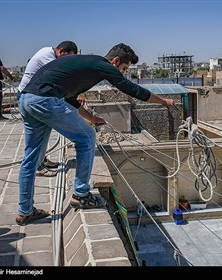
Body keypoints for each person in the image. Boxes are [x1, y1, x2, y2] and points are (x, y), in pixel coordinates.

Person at [15, 43, 176, 226]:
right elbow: (133, 89)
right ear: (115, 61)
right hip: (44, 101)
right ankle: (81, 194)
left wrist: (91, 117)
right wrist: (164, 101)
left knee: (30, 159)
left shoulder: (87, 65)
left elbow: (70, 98)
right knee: (86, 138)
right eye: (123, 68)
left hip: (26, 100)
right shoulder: (102, 65)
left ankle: (25, 211)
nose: (122, 73)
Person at [17, 41, 79, 177]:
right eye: (67, 58)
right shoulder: (48, 57)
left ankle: (42, 160)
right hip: (31, 98)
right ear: (62, 51)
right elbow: (63, 78)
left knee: (44, 132)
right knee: (36, 137)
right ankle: (38, 167)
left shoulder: (47, 52)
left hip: (35, 97)